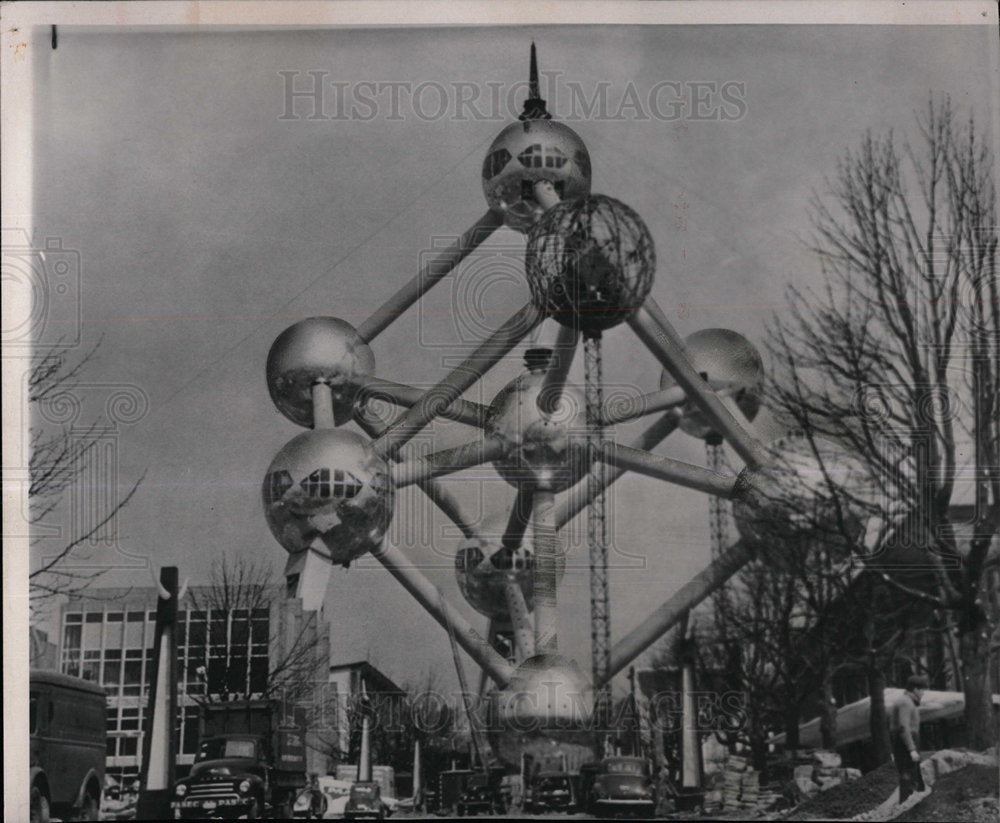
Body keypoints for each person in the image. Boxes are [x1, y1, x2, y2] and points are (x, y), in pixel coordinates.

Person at [888, 674, 928, 802]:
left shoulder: (907, 701)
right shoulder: (905, 702)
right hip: (904, 742)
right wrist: (911, 749)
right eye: (922, 689)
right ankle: (906, 805)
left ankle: (910, 802)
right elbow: (903, 727)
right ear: (915, 689)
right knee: (907, 774)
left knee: (912, 773)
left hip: (905, 740)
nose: (923, 693)